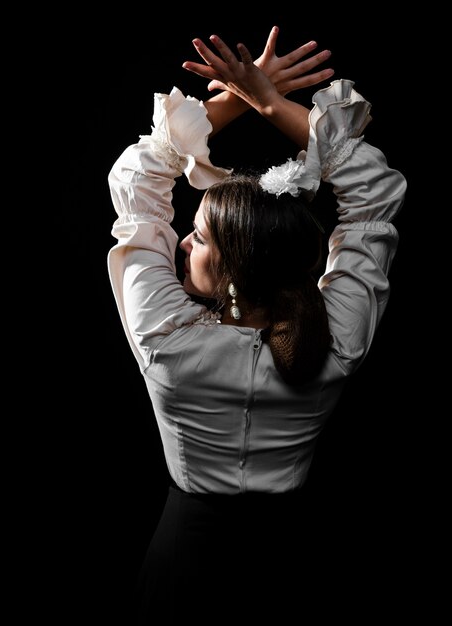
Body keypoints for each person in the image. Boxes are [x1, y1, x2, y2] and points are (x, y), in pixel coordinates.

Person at [107, 27, 406, 625]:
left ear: (234, 270)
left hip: (183, 560)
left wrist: (235, 100)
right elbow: (372, 202)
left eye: (198, 236)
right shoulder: (337, 343)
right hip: (291, 564)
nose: (183, 241)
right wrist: (268, 100)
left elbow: (137, 188)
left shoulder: (164, 338)